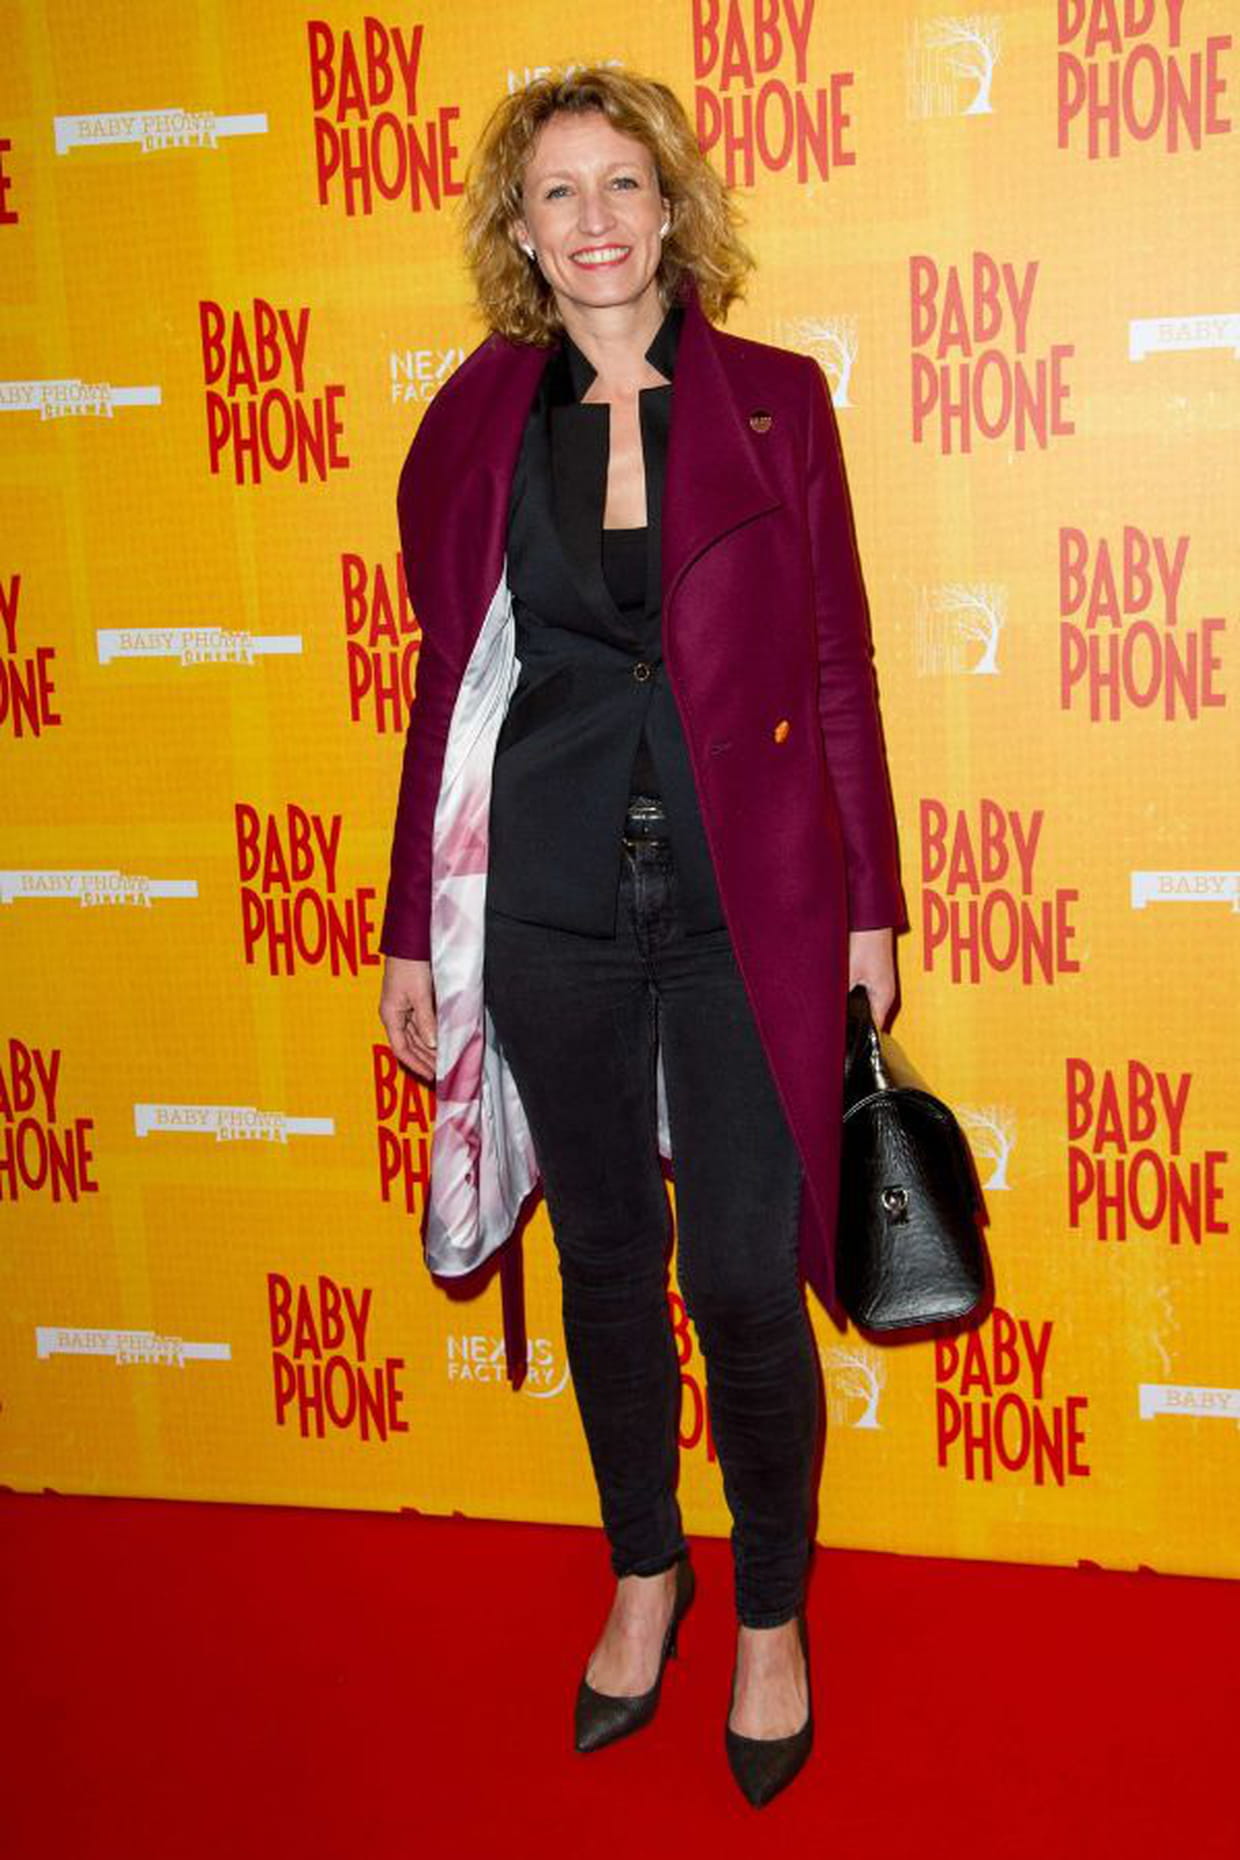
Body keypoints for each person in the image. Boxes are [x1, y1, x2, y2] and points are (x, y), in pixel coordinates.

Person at [378, 65, 904, 1808]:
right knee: (606, 1255)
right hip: (546, 900)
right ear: (519, 232)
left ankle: (769, 1609)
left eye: (622, 184)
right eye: (558, 193)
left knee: (742, 1276)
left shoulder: (778, 403)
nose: (593, 219)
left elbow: (835, 666)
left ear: (671, 204)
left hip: (747, 901)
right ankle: (642, 1570)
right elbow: (449, 689)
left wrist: (871, 905)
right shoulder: (476, 421)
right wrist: (410, 929)